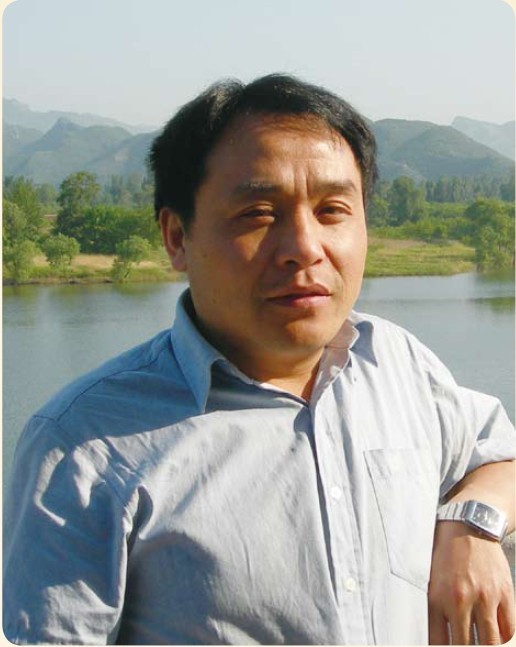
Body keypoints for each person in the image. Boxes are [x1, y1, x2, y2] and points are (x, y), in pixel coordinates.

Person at [3, 74, 515, 646]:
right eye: (258, 213)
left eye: (332, 210)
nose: (304, 248)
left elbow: (500, 456)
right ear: (176, 237)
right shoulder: (82, 444)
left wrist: (472, 525)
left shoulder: (397, 363)